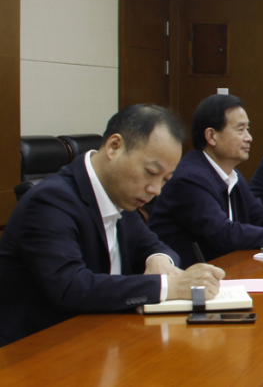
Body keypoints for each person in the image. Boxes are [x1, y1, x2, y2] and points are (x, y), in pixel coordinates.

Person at [0, 105, 224, 346]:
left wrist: (159, 259)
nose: (156, 190)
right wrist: (170, 285)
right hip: (40, 349)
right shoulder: (50, 201)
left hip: (104, 337)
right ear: (114, 147)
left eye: (165, 179)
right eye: (151, 172)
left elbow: (154, 245)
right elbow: (71, 288)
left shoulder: (119, 195)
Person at [150, 94, 263, 267]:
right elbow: (223, 233)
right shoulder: (190, 178)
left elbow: (259, 214)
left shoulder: (232, 175)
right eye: (240, 130)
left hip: (224, 267)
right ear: (211, 136)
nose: (249, 137)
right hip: (187, 276)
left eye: (248, 129)